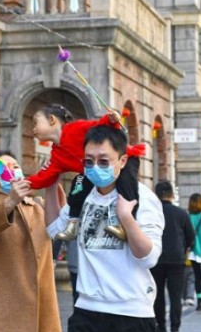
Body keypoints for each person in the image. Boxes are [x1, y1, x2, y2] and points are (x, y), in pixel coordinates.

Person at [44, 125, 164, 332]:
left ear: (122, 161)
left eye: (103, 161)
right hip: (87, 312)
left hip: (131, 314)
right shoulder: (83, 195)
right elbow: (54, 229)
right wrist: (51, 186)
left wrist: (126, 218)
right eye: (88, 161)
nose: (95, 167)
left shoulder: (141, 198)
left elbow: (148, 258)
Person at [0, 150, 62, 332]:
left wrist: (52, 186)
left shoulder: (38, 206)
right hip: (7, 311)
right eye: (4, 168)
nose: (12, 171)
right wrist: (10, 202)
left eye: (15, 166)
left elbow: (62, 227)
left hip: (43, 307)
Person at [29, 103, 143, 241]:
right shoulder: (56, 155)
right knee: (77, 186)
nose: (33, 129)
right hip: (91, 172)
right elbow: (44, 177)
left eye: (36, 123)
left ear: (52, 119)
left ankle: (128, 223)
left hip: (126, 158)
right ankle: (73, 223)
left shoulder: (75, 128)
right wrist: (23, 183)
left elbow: (99, 126)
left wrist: (111, 119)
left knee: (127, 185)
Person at [151, 181, 195, 332]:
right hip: (177, 259)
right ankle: (175, 331)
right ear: (172, 195)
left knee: (158, 294)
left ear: (156, 194)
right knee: (176, 296)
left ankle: (160, 326)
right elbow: (191, 236)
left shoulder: (150, 212)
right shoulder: (181, 213)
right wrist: (184, 248)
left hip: (155, 258)